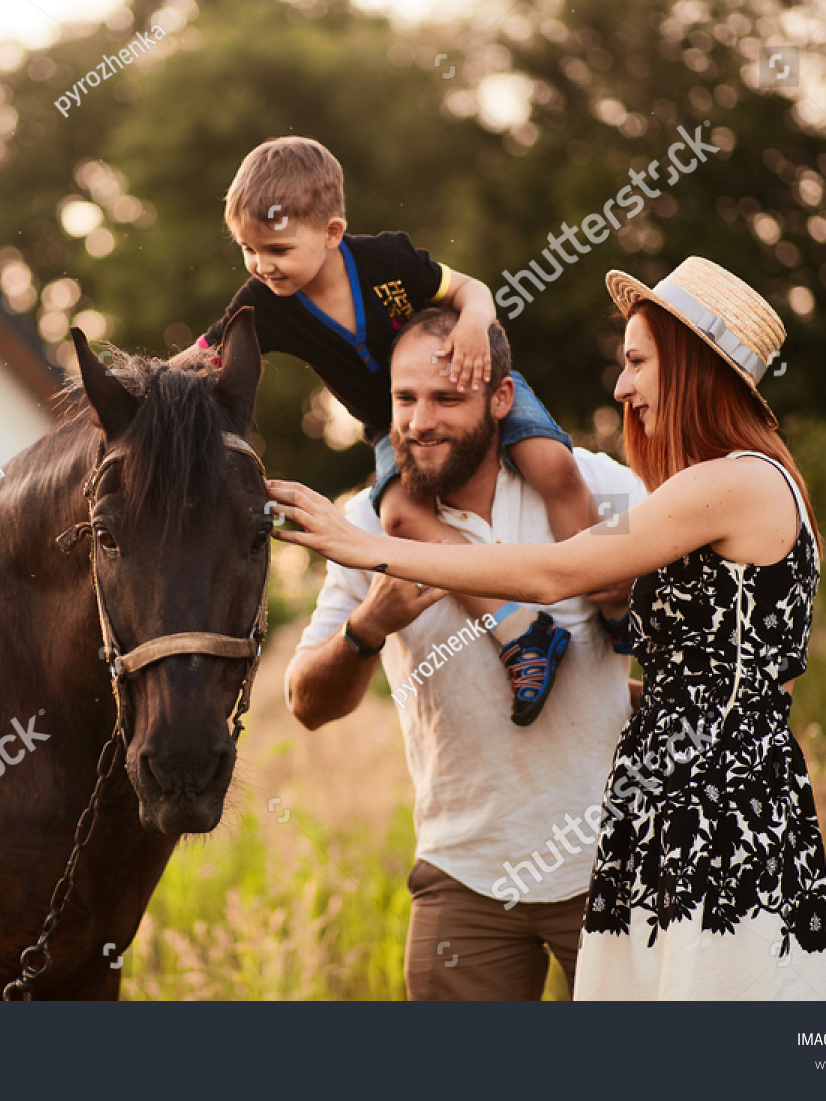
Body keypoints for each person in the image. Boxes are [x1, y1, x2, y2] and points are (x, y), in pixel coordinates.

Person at [268, 257, 826, 1000]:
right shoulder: (738, 481)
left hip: (705, 818)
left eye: (636, 362)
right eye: (404, 397)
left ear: (692, 366)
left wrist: (366, 544)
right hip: (675, 812)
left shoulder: (720, 483)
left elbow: (553, 575)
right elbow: (740, 675)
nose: (622, 385)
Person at [192, 135, 628, 724]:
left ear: (331, 232)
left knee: (551, 463)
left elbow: (469, 289)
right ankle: (521, 631)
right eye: (247, 249)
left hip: (471, 378)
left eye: (275, 247)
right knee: (399, 520)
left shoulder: (387, 263)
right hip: (388, 428)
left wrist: (476, 319)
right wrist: (141, 389)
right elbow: (205, 356)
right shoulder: (265, 303)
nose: (261, 264)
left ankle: (612, 599)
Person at [285, 306, 646, 1000]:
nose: (420, 421)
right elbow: (305, 703)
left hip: (617, 862)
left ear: (502, 399)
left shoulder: (597, 487)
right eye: (405, 398)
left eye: (447, 398)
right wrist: (369, 624)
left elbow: (694, 637)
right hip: (464, 878)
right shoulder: (363, 524)